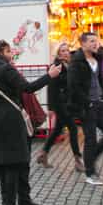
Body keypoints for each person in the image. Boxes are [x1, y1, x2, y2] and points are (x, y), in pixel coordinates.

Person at [0, 39, 59, 205]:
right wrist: (49, 75)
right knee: (13, 164)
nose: (11, 54)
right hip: (10, 122)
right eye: (8, 51)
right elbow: (28, 88)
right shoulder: (6, 69)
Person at [67, 31, 103, 185]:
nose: (96, 44)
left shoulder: (98, 58)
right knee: (90, 139)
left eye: (97, 41)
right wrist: (86, 102)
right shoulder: (76, 61)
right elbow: (74, 86)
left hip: (99, 103)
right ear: (83, 44)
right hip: (86, 106)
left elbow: (99, 79)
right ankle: (90, 173)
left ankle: (90, 159)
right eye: (92, 41)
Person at [35, 42, 83, 171]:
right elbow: (51, 87)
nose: (66, 52)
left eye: (67, 50)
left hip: (68, 102)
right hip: (60, 103)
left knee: (57, 130)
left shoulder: (69, 65)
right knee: (73, 128)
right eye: (62, 51)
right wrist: (50, 107)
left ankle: (43, 153)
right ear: (58, 53)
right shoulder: (56, 66)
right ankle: (78, 160)